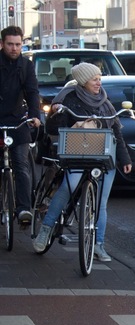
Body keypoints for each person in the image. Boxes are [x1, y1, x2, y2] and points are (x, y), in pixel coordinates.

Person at [33, 62, 133, 261]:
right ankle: (46, 228)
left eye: (99, 78)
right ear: (83, 81)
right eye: (94, 79)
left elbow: (115, 132)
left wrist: (125, 158)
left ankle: (99, 244)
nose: (99, 82)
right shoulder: (69, 99)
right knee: (67, 187)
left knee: (101, 203)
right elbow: (53, 129)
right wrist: (56, 112)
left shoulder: (105, 102)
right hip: (78, 155)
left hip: (105, 158)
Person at [0, 25, 41, 224]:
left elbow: (32, 92)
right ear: (2, 44)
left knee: (21, 164)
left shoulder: (26, 65)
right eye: (10, 44)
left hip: (17, 120)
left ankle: (24, 210)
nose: (14, 48)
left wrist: (34, 115)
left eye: (18, 44)